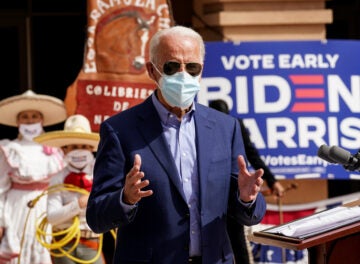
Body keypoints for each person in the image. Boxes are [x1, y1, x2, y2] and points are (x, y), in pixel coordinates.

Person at [86, 25, 266, 264]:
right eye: (172, 67)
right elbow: (96, 216)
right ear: (152, 70)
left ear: (201, 71)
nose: (183, 76)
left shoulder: (225, 128)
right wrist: (125, 198)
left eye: (192, 67)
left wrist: (247, 198)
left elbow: (247, 212)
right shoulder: (120, 130)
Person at [209, 99, 285, 264]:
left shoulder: (235, 126)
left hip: (233, 190)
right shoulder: (202, 126)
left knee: (237, 239)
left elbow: (251, 153)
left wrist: (272, 181)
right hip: (209, 191)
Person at [0, 89, 67, 264]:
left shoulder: (55, 151)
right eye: (25, 117)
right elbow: (1, 187)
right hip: (16, 207)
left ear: (41, 119)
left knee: (42, 249)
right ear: (17, 121)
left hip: (45, 207)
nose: (30, 121)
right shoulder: (9, 149)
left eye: (34, 116)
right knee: (19, 249)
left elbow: (60, 185)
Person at [33, 114, 105, 264]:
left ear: (91, 148)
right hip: (64, 244)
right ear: (65, 149)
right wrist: (78, 205)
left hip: (91, 242)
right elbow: (52, 217)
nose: (79, 150)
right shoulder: (57, 178)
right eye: (74, 147)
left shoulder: (100, 174)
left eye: (84, 146)